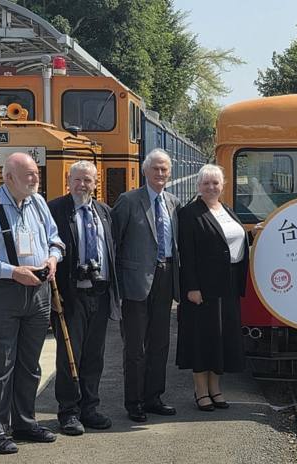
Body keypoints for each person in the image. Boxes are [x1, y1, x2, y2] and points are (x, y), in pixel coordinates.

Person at [0, 152, 64, 454]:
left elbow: (55, 238)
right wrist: (13, 272)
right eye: (29, 175)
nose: (35, 179)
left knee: (29, 364)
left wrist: (52, 257)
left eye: (36, 173)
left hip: (37, 294)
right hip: (3, 294)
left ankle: (24, 422)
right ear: (8, 178)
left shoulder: (37, 203)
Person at [47, 161, 120, 435]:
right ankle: (68, 412)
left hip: (99, 293)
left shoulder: (104, 212)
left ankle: (90, 408)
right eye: (77, 180)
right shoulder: (55, 210)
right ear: (68, 181)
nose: (82, 185)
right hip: (71, 295)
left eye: (87, 180)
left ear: (95, 182)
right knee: (69, 356)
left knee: (94, 356)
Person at [111, 148, 181, 422]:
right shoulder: (128, 201)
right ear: (145, 171)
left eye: (165, 169)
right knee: (135, 347)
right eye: (156, 169)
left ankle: (154, 397)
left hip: (165, 277)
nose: (160, 174)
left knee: (160, 343)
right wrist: (116, 287)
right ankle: (134, 402)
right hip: (135, 283)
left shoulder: (174, 202)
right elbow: (113, 244)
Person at [176, 164, 248, 411]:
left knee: (221, 339)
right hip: (203, 288)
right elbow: (187, 254)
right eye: (206, 183)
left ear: (223, 185)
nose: (211, 187)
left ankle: (216, 389)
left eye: (215, 183)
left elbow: (235, 240)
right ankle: (201, 391)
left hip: (228, 285)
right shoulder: (190, 213)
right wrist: (192, 287)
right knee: (202, 339)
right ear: (198, 186)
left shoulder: (226, 209)